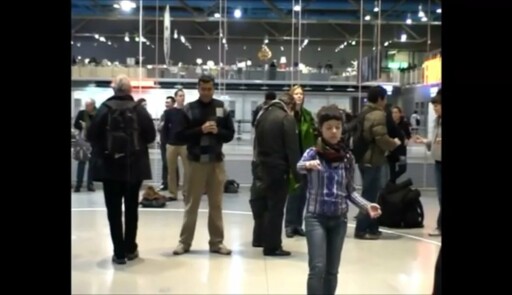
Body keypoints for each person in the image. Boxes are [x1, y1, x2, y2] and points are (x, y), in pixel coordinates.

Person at [297, 105, 381, 295]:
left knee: (332, 271)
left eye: (337, 127)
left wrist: (367, 205)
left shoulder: (347, 158)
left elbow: (350, 191)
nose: (334, 131)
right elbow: (298, 166)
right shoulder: (313, 153)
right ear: (321, 129)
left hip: (339, 220)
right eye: (329, 127)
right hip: (315, 218)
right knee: (317, 268)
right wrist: (308, 165)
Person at [87, 75, 156, 264]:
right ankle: (130, 248)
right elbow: (150, 136)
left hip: (110, 168)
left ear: (114, 90)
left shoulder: (104, 109)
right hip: (134, 168)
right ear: (130, 90)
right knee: (132, 208)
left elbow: (91, 135)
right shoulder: (139, 110)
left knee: (113, 211)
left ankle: (118, 253)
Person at [173, 75, 235, 255]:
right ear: (198, 89)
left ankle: (216, 243)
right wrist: (200, 130)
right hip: (195, 162)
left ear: (213, 89)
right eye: (203, 89)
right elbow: (179, 135)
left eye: (209, 89)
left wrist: (218, 131)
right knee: (191, 204)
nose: (206, 92)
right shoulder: (189, 109)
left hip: (216, 162)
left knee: (216, 204)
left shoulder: (221, 108)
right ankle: (184, 242)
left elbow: (230, 134)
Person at [251, 92, 301, 256]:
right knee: (275, 208)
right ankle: (272, 246)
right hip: (278, 169)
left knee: (262, 205)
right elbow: (292, 150)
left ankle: (259, 238)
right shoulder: (286, 118)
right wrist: (298, 174)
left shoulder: (262, 114)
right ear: (290, 105)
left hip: (260, 166)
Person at [415, 89, 441, 236]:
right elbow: (435, 141)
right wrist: (425, 141)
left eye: (437, 106)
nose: (435, 109)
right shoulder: (436, 121)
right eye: (434, 106)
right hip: (437, 160)